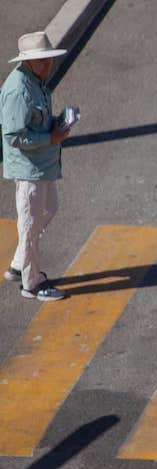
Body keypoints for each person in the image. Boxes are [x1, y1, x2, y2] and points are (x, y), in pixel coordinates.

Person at [1, 32, 71, 301]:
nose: (47, 65)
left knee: (49, 208)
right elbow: (13, 136)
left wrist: (55, 122)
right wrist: (50, 137)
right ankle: (32, 284)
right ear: (28, 61)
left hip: (41, 164)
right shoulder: (18, 90)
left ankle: (20, 263)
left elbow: (33, 121)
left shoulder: (36, 81)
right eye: (41, 60)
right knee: (30, 225)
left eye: (48, 59)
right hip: (28, 168)